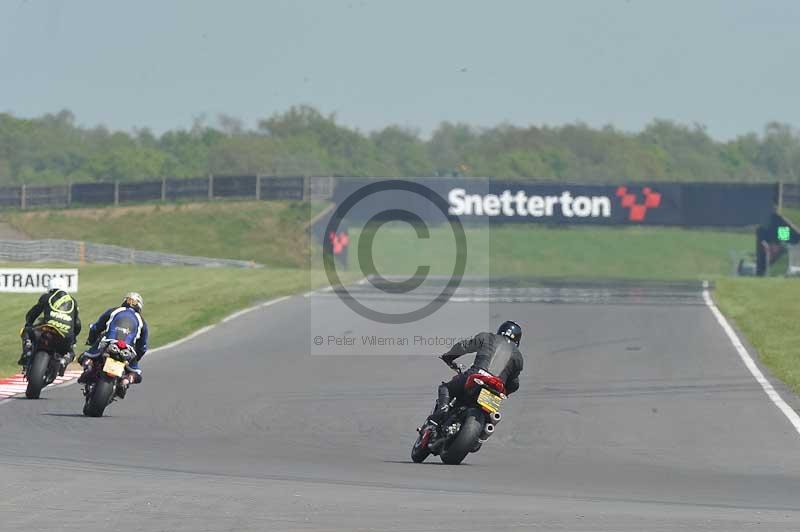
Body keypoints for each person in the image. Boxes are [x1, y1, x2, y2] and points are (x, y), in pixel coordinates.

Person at [426, 320, 524, 426]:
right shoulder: (518, 358)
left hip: (476, 376)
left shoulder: (488, 337)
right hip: (496, 388)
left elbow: (463, 346)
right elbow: (514, 384)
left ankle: (442, 410)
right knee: (489, 419)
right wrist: (506, 392)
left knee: (445, 388)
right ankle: (484, 427)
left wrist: (448, 357)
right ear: (517, 340)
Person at [78, 292, 148, 396]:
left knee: (85, 356)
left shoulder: (114, 310)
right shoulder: (142, 321)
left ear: (125, 301)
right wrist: (135, 358)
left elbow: (96, 327)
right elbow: (142, 347)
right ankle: (127, 380)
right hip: (127, 350)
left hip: (108, 343)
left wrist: (91, 341)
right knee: (136, 373)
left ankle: (88, 365)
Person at [18, 277, 81, 376]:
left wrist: (28, 323)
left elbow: (33, 313)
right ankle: (65, 360)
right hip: (65, 335)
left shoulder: (47, 297)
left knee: (26, 331)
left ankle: (28, 350)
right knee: (71, 350)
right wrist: (73, 338)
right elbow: (77, 324)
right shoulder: (73, 302)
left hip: (47, 329)